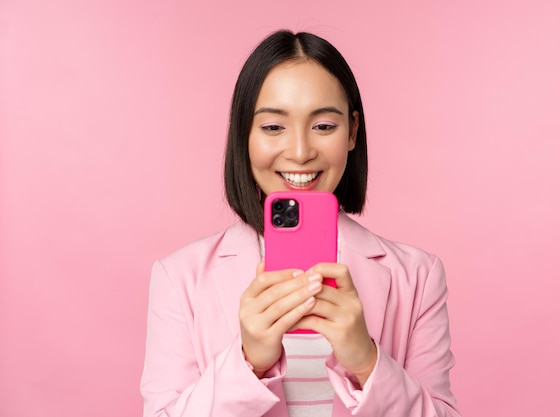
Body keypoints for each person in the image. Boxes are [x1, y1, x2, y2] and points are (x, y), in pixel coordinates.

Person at [140, 30, 461, 417]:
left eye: (323, 126)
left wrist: (367, 361)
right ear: (245, 135)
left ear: (352, 132)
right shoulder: (179, 278)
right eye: (273, 127)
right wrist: (247, 364)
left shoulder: (419, 276)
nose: (300, 152)